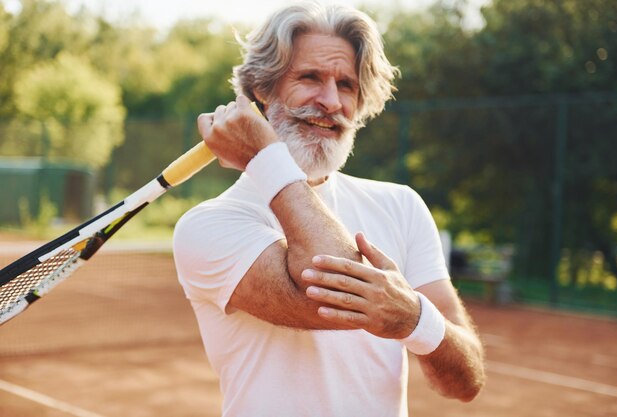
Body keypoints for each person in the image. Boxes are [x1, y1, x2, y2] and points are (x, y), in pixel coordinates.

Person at [173, 2, 485, 416]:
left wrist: (413, 317)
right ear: (261, 91)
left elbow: (464, 381)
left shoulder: (402, 206)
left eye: (347, 85)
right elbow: (336, 293)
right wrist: (265, 156)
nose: (330, 101)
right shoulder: (207, 226)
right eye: (310, 78)